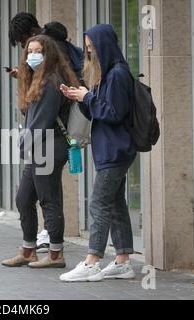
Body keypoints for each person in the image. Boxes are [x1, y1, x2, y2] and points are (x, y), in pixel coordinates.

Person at [59, 24, 137, 282]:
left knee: (99, 202)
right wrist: (79, 97)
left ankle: (92, 261)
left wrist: (88, 98)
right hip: (110, 149)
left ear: (104, 46)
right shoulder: (108, 75)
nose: (89, 53)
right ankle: (123, 261)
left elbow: (114, 113)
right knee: (115, 204)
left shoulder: (117, 75)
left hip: (115, 151)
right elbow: (100, 111)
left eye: (91, 48)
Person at [1, 35, 79, 269]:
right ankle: (28, 250)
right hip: (39, 147)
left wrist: (23, 145)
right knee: (24, 199)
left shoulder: (52, 81)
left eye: (39, 52)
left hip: (50, 146)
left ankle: (56, 255)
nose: (33, 56)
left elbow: (41, 122)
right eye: (30, 51)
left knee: (49, 200)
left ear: (49, 55)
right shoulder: (39, 78)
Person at [8, 12, 83, 79]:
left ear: (33, 32)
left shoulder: (52, 45)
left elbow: (52, 76)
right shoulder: (50, 41)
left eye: (23, 41)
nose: (23, 46)